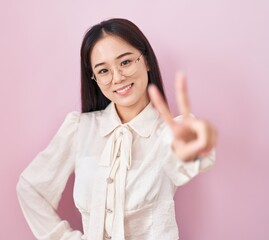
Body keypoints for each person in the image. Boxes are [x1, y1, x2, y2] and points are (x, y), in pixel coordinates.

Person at [16, 18, 217, 240]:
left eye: (125, 62)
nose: (118, 78)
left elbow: (193, 159)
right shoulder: (79, 129)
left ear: (146, 61)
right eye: (103, 71)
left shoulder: (171, 132)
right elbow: (30, 188)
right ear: (93, 78)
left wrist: (197, 144)